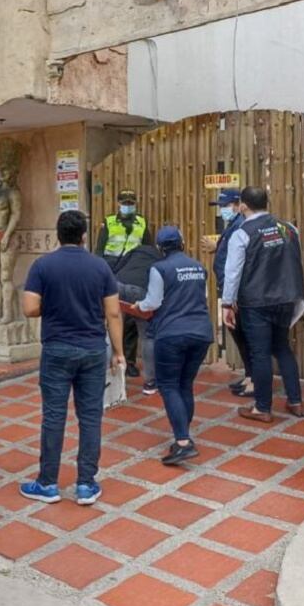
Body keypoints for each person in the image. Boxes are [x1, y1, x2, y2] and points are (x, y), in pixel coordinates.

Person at [19, 211, 125, 506]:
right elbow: (113, 313)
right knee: (90, 417)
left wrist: (54, 304)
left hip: (56, 349)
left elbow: (29, 308)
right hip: (93, 349)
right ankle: (86, 485)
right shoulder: (100, 267)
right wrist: (118, 352)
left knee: (53, 416)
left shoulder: (42, 266)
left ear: (58, 235)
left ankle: (47, 483)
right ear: (84, 236)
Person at [221, 186, 304, 423]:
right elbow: (294, 260)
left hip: (256, 301)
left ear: (243, 205)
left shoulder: (242, 233)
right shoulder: (288, 228)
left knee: (260, 354)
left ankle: (262, 408)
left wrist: (227, 303)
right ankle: (296, 401)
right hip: (286, 297)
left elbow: (233, 272)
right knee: (282, 347)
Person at [129, 226, 214, 465]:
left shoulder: (160, 268)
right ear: (182, 243)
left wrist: (138, 306)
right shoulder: (198, 267)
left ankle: (183, 442)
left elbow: (153, 302)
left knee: (168, 385)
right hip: (201, 332)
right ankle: (183, 433)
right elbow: (202, 298)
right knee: (185, 384)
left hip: (172, 334)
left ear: (160, 248)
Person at [95, 189, 153, 377]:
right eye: (125, 203)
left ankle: (129, 361)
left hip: (132, 274)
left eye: (131, 203)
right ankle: (110, 359)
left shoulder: (141, 223)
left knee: (132, 319)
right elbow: (99, 251)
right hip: (112, 274)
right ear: (118, 204)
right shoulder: (109, 222)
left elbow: (148, 250)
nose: (128, 206)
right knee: (111, 316)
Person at [201, 188, 253, 397]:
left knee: (245, 336)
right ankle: (250, 375)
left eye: (226, 206)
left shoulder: (240, 225)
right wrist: (218, 246)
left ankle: (253, 379)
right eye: (221, 206)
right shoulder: (233, 225)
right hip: (230, 289)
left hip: (238, 292)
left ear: (238, 205)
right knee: (239, 335)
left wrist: (233, 296)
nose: (222, 210)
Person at [112, 244, 161, 395]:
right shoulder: (160, 258)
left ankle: (111, 379)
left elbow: (117, 266)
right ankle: (150, 382)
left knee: (113, 329)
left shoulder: (136, 249)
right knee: (147, 336)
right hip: (140, 290)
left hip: (117, 286)